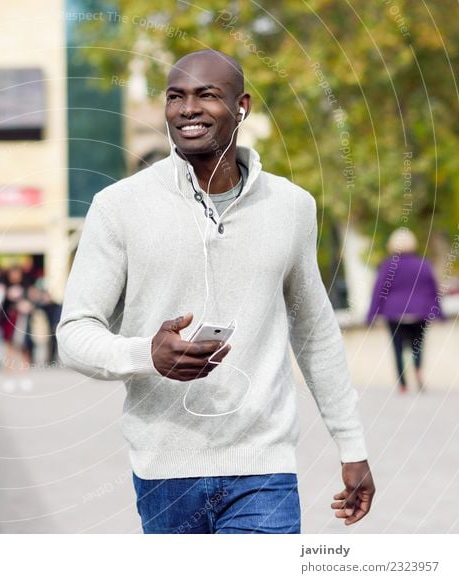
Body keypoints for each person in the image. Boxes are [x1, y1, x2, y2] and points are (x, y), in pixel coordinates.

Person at [57, 50, 375, 534]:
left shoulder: (291, 207)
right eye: (175, 97)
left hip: (264, 467)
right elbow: (75, 332)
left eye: (207, 95)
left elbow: (315, 332)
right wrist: (148, 353)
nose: (188, 109)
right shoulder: (118, 207)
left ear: (241, 106)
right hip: (165, 471)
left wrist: (351, 445)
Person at [366, 227, 443, 393]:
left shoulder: (387, 266)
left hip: (394, 313)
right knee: (418, 345)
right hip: (419, 312)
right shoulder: (423, 264)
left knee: (398, 348)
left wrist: (371, 315)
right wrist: (439, 313)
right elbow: (433, 289)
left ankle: (403, 384)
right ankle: (418, 369)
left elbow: (379, 291)